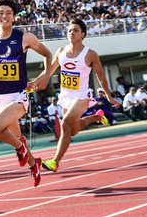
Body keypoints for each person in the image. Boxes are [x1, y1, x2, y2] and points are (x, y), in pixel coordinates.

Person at [0, 0, 52, 187]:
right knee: (17, 139)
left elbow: (48, 55)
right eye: (1, 13)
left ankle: (20, 148)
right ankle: (34, 164)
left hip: (18, 96)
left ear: (14, 17)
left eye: (9, 13)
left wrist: (44, 77)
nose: (5, 16)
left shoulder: (25, 37)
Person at [40, 19, 121, 173]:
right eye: (69, 30)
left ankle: (55, 162)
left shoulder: (90, 54)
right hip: (65, 96)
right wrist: (36, 82)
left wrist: (109, 97)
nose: (71, 33)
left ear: (83, 34)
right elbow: (49, 70)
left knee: (65, 125)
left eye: (75, 30)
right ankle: (96, 117)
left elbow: (101, 77)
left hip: (82, 96)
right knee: (73, 130)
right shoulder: (61, 51)